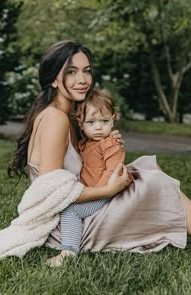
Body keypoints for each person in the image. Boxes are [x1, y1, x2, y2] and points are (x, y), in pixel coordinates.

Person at [0, 40, 191, 267]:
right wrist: (109, 190)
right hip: (67, 224)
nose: (82, 80)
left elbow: (87, 161)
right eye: (71, 72)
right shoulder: (55, 119)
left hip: (79, 204)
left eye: (86, 71)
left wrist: (108, 142)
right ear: (54, 80)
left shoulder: (65, 114)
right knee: (154, 182)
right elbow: (52, 194)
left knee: (146, 165)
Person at [50, 88, 134, 267]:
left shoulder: (111, 145)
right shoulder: (85, 143)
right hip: (95, 190)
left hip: (106, 192)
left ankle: (68, 252)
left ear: (113, 120)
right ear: (80, 124)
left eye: (104, 121)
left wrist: (96, 192)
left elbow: (112, 173)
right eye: (91, 122)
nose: (98, 127)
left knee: (70, 210)